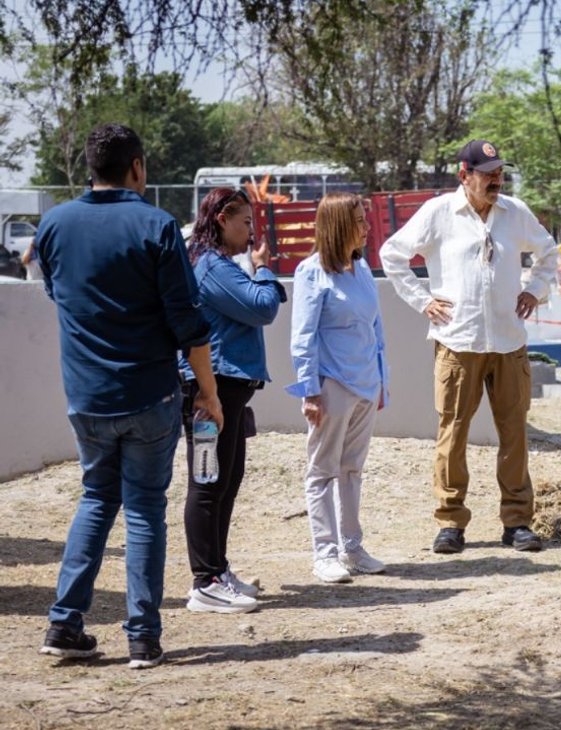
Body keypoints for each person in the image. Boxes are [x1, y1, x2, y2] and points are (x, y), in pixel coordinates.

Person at [35, 123, 221, 669]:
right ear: (137, 166)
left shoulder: (53, 224)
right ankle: (142, 637)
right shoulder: (157, 225)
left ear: (91, 166)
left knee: (95, 499)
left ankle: (64, 623)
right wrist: (208, 394)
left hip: (86, 396)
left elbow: (57, 293)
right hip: (148, 395)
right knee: (143, 510)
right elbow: (189, 325)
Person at [380, 139, 557, 554]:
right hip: (457, 342)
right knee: (453, 433)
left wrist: (534, 290)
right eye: (488, 173)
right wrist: (423, 300)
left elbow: (548, 252)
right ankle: (450, 521)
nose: (497, 180)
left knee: (514, 433)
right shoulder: (439, 212)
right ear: (465, 175)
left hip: (509, 342)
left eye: (500, 172)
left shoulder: (515, 213)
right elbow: (393, 254)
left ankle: (517, 522)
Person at [179, 187, 286, 613]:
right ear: (223, 218)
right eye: (246, 223)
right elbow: (262, 306)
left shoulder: (218, 263)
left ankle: (217, 569)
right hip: (212, 393)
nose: (251, 233)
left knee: (225, 480)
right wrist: (261, 269)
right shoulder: (211, 266)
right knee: (207, 483)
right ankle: (204, 581)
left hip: (228, 393)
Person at [287, 193, 391, 583]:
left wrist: (382, 383)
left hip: (366, 384)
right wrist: (309, 391)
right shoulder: (311, 272)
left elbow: (376, 331)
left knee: (352, 470)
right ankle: (325, 553)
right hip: (332, 385)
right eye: (360, 221)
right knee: (322, 470)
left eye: (365, 219)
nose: (367, 227)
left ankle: (352, 547)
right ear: (339, 226)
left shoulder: (362, 271)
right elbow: (303, 336)